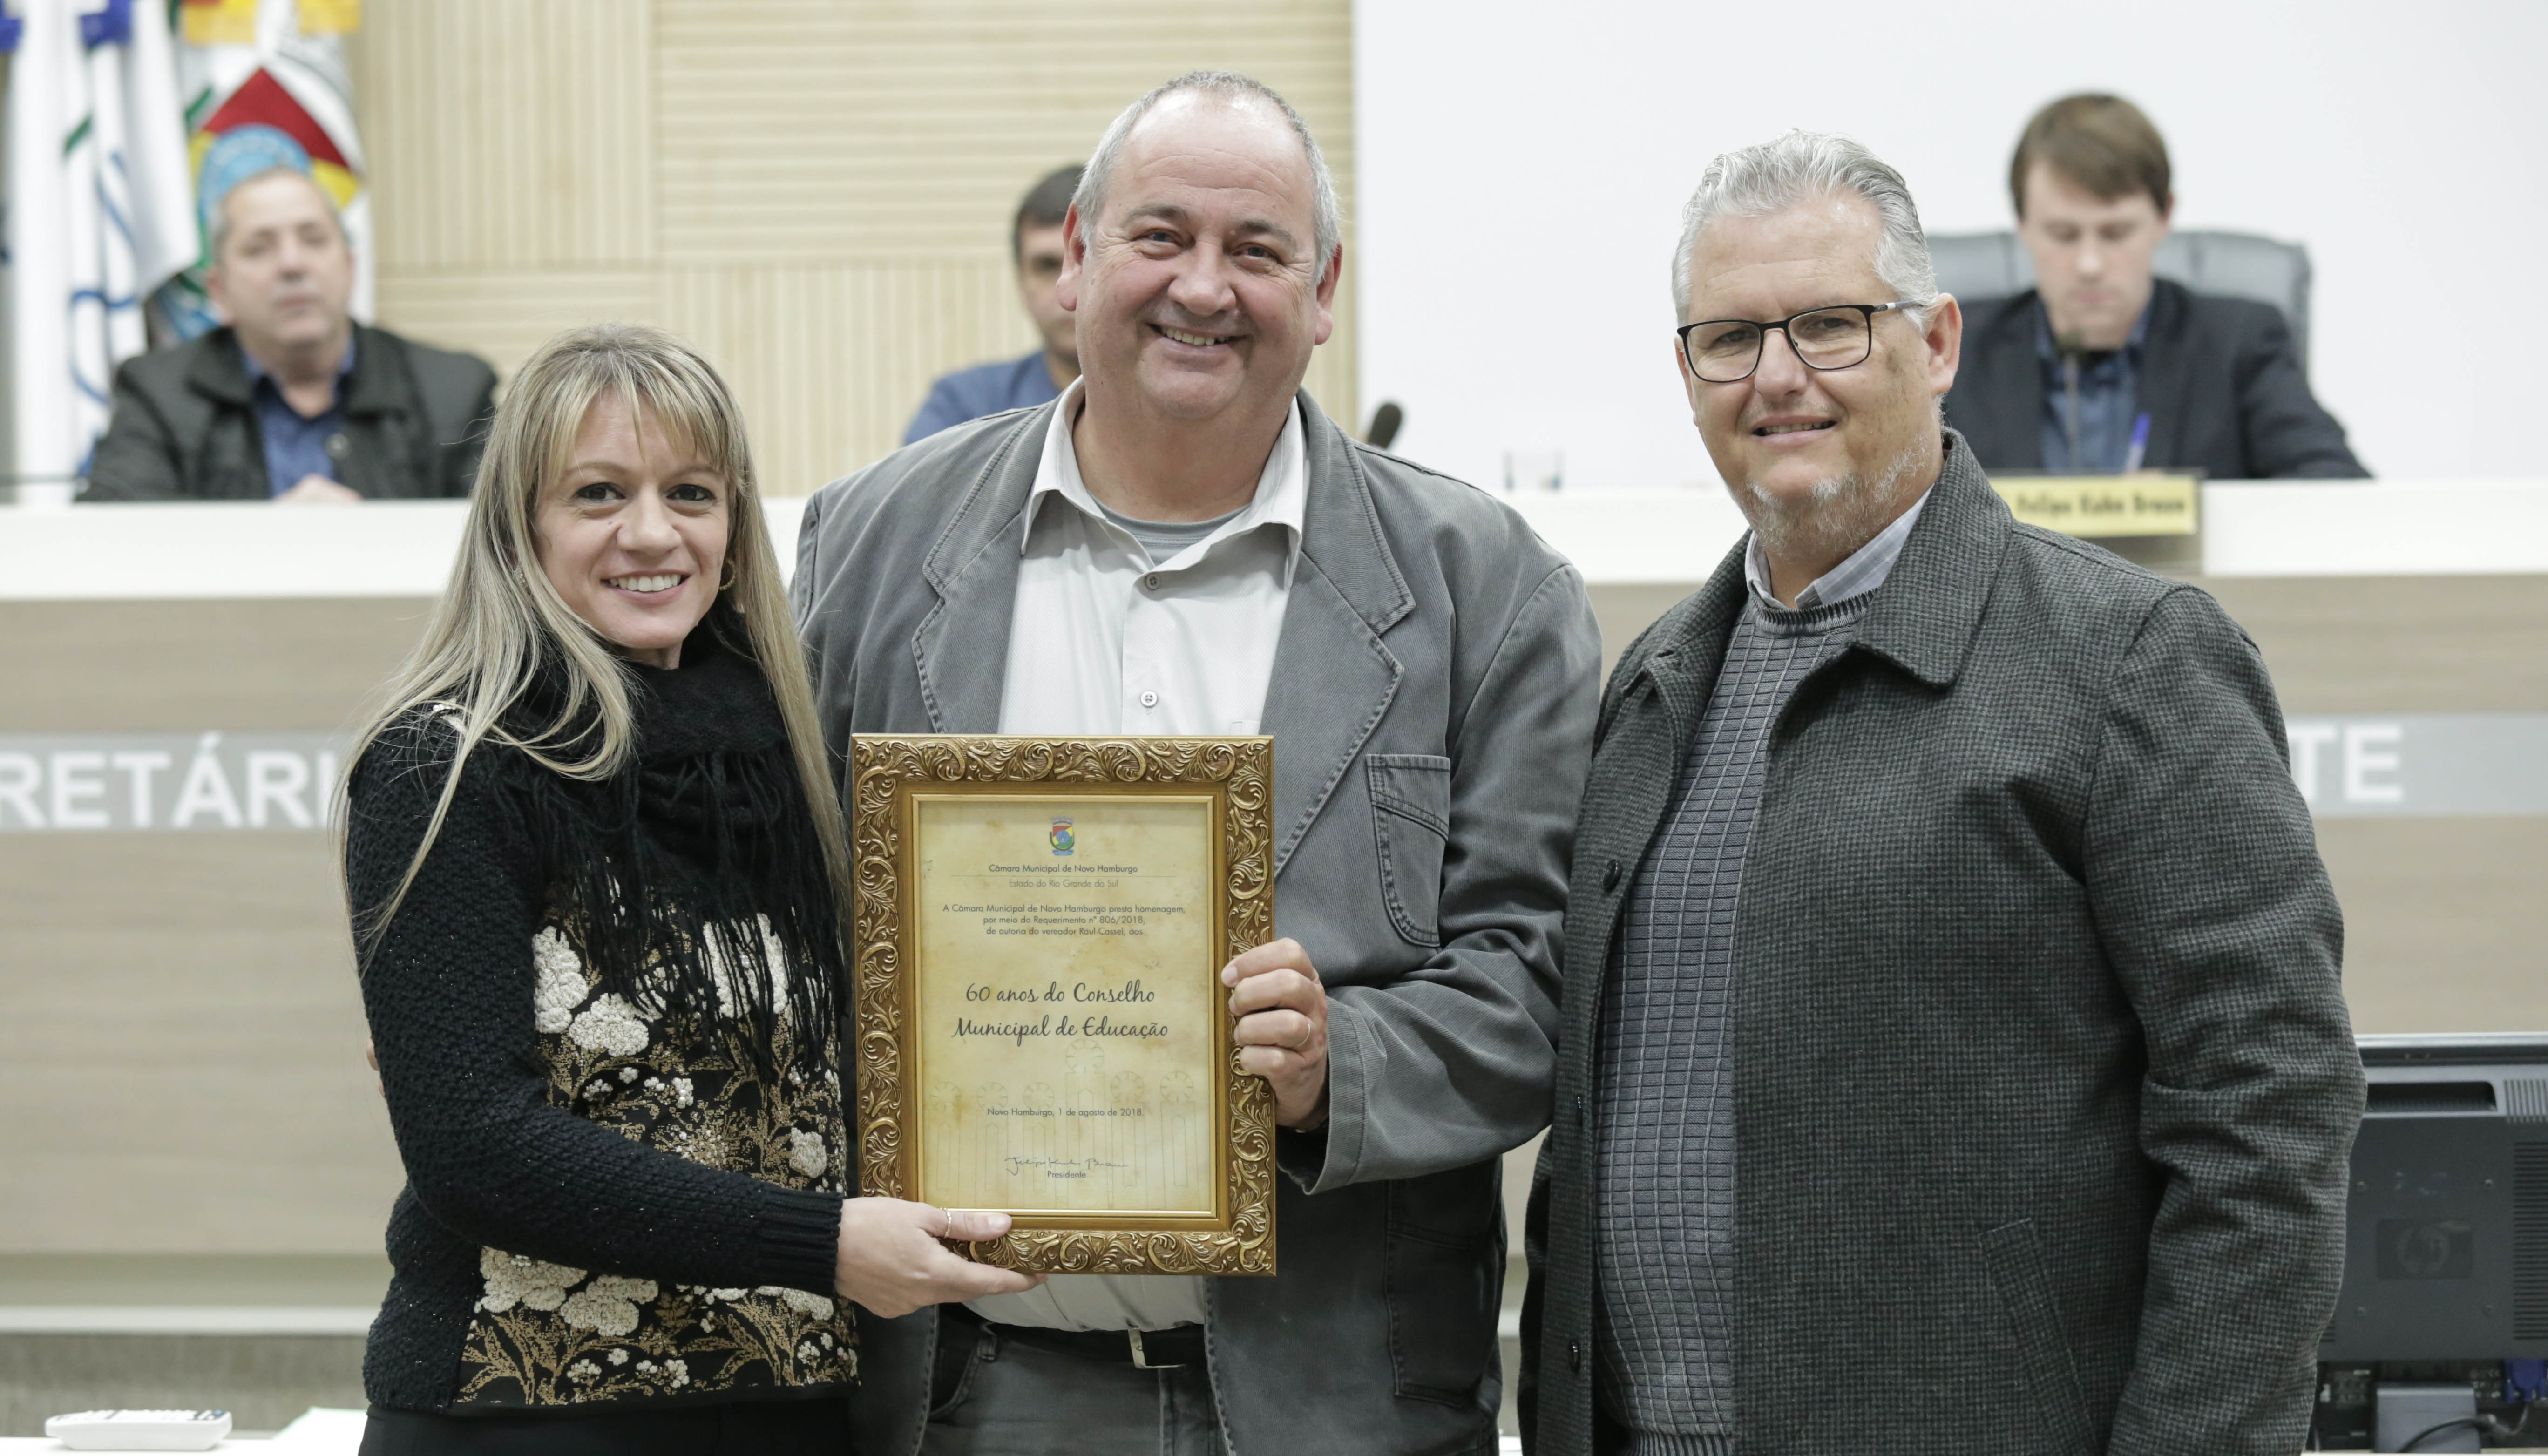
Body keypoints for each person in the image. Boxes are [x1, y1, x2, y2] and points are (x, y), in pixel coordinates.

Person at [794, 72, 1599, 1456]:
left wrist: (1343, 1061)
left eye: (1258, 250)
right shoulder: (868, 545)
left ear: (1327, 286)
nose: (1204, 288)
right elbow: (780, 915)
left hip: (1340, 1399)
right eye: (1161, 236)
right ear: (1077, 258)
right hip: (967, 1393)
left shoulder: (1490, 587)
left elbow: (1544, 973)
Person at [1521, 132, 2363, 1455]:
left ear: (1940, 341)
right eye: (1730, 338)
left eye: (1831, 325)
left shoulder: (2130, 662)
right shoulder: (1656, 686)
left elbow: (2265, 1129)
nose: (1779, 376)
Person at [340, 324, 1040, 1454]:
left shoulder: (798, 759)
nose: (653, 532)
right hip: (522, 1409)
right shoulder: (448, 765)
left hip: (791, 1401)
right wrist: (820, 1242)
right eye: (600, 493)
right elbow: (473, 1147)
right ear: (523, 525)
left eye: (693, 492)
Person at [1943, 94, 2369, 480]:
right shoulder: (1954, 354)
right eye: (2063, 234)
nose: (2089, 265)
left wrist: (2193, 515)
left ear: (2164, 217)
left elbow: (2337, 489)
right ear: (2023, 226)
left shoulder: (2239, 343)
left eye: (2115, 233)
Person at [85, 166, 496, 502]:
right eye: (259, 248)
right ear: (219, 292)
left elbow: (505, 548)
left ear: (350, 268)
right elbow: (111, 535)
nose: (292, 264)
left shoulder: (453, 390)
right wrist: (269, 540)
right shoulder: (159, 393)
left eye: (314, 240)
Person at [903, 164, 1085, 443]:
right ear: (1021, 282)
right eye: (1047, 267)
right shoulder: (963, 407)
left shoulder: (1170, 396)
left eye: (1085, 258)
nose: (1066, 287)